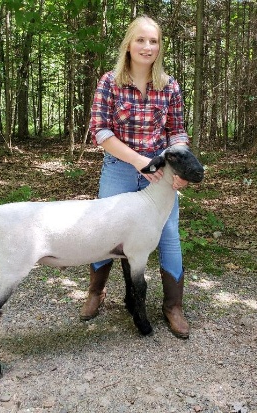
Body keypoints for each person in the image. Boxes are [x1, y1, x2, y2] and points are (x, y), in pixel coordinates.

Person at [80, 15, 192, 339]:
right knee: (105, 232)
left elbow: (177, 132)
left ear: (160, 47)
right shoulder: (109, 82)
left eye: (153, 41)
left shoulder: (169, 86)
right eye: (140, 40)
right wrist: (139, 161)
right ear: (128, 44)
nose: (147, 46)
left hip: (160, 174)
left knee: (169, 232)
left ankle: (173, 305)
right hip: (120, 169)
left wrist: (180, 166)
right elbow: (100, 132)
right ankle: (95, 292)